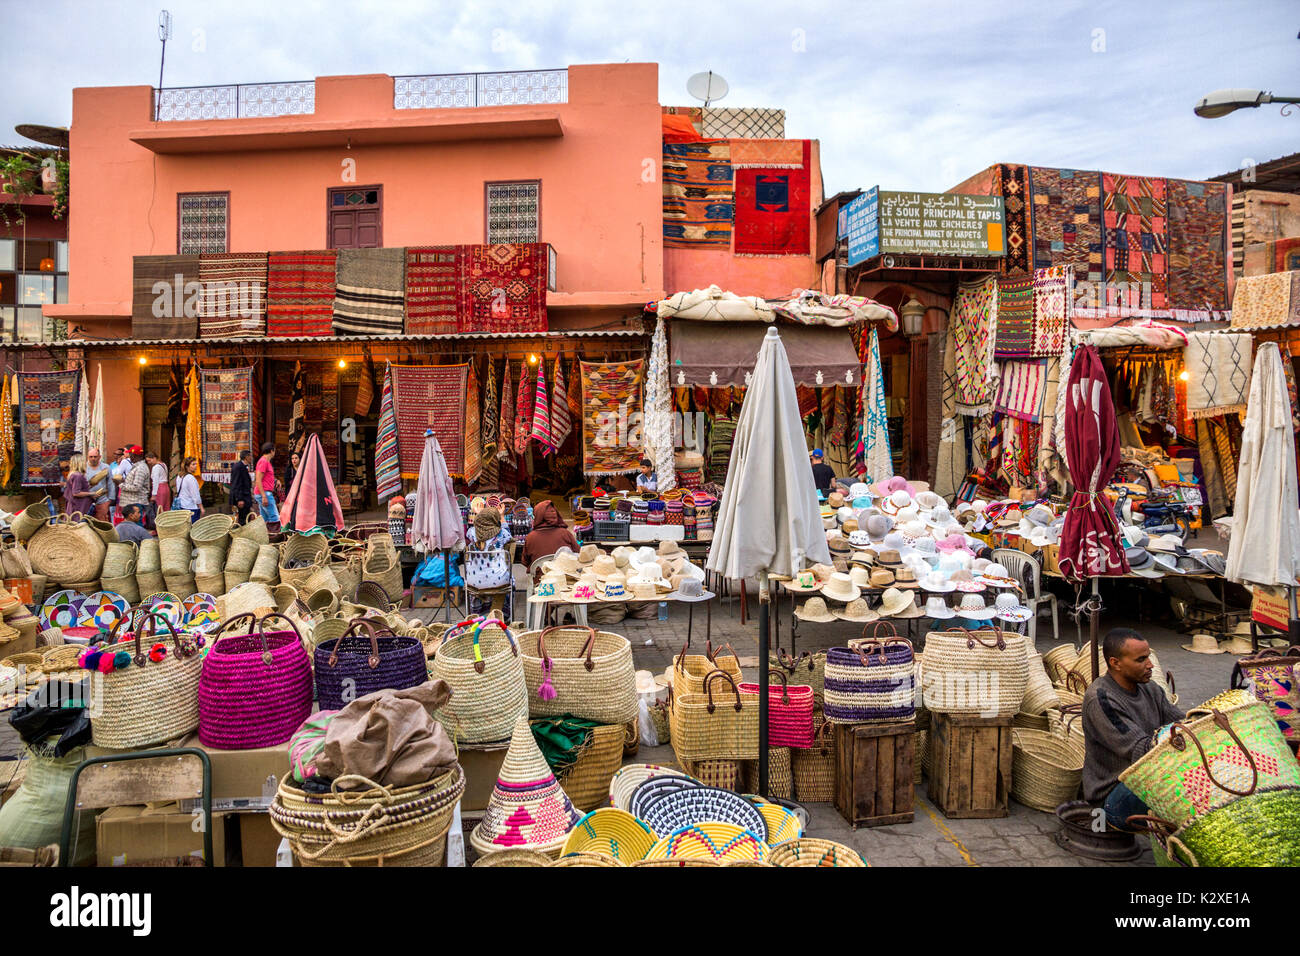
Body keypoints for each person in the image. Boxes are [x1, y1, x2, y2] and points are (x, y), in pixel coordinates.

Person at [1082, 628, 1185, 831]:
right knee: (1182, 790)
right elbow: (1140, 750)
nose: (1150, 665)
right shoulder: (1101, 699)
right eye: (1141, 660)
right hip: (1113, 794)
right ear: (1115, 663)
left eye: (1148, 657)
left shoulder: (1150, 689)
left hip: (1149, 773)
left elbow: (1180, 723)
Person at [466, 507, 513, 619]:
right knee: (510, 578)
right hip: (498, 581)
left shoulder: (471, 533)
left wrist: (480, 514)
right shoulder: (502, 533)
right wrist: (502, 516)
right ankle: (502, 614)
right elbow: (509, 535)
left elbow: (478, 528)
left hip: (474, 581)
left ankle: (479, 614)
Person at [522, 501, 579, 569]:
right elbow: (578, 554)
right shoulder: (565, 534)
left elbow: (525, 562)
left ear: (538, 516)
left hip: (539, 578)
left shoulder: (530, 537)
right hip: (564, 577)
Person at [116, 445, 151, 518]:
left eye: (130, 455)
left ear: (134, 455)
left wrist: (120, 484)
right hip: (132, 503)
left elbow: (136, 487)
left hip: (136, 503)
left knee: (136, 525)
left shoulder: (140, 468)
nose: (129, 457)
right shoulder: (137, 466)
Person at [253, 443, 280, 527]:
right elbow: (258, 479)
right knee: (274, 517)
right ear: (272, 451)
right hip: (264, 493)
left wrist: (276, 481)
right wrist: (264, 496)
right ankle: (275, 537)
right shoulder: (263, 461)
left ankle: (266, 537)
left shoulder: (265, 461)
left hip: (264, 493)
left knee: (265, 519)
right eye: (274, 450)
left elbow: (266, 477)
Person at [84, 448, 114, 521]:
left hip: (102, 499)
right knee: (87, 521)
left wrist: (110, 499)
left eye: (95, 456)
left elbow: (111, 483)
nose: (93, 459)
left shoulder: (105, 467)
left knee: (101, 521)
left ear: (99, 457)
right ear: (87, 457)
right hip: (87, 499)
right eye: (91, 457)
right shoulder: (83, 467)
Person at [174, 456, 204, 522]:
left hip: (182, 506)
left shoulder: (179, 476)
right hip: (191, 507)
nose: (196, 466)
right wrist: (201, 507)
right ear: (187, 466)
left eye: (196, 464)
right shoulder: (191, 478)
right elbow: (195, 496)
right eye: (193, 464)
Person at [229, 450, 253, 525]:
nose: (251, 458)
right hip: (242, 498)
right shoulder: (238, 467)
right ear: (246, 457)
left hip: (245, 496)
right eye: (250, 456)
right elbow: (236, 484)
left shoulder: (243, 467)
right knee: (243, 519)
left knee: (245, 518)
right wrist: (239, 499)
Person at [146, 451, 170, 525]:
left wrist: (154, 494)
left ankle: (159, 527)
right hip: (166, 487)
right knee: (166, 508)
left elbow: (155, 481)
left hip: (160, 488)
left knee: (159, 509)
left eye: (149, 460)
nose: (149, 462)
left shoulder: (156, 467)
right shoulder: (163, 465)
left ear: (154, 458)